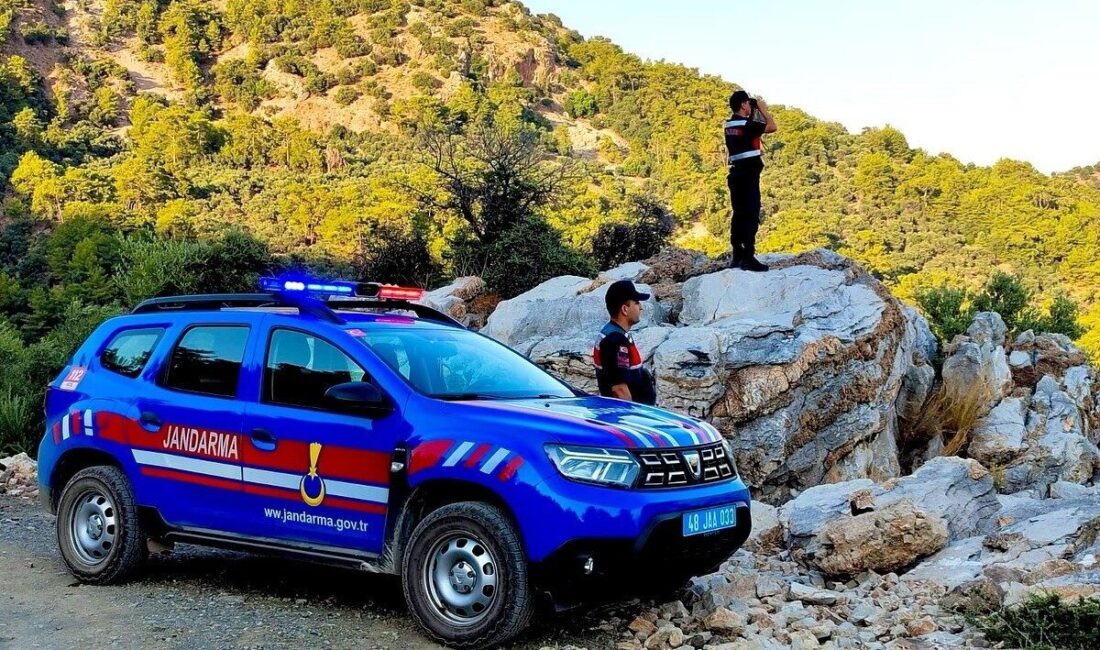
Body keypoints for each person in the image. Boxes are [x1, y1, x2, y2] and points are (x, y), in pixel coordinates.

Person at [724, 89, 777, 272]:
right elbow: (771, 126)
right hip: (748, 175)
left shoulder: (730, 125)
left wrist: (753, 112)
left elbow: (751, 129)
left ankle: (738, 254)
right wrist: (763, 109)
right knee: (751, 215)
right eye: (748, 103)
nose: (749, 106)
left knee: (739, 214)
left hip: (736, 174)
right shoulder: (747, 126)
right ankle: (749, 257)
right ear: (743, 105)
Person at [592, 280, 656, 405]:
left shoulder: (616, 334)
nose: (641, 307)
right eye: (636, 303)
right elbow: (619, 390)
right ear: (625, 309)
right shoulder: (615, 341)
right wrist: (631, 418)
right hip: (630, 417)